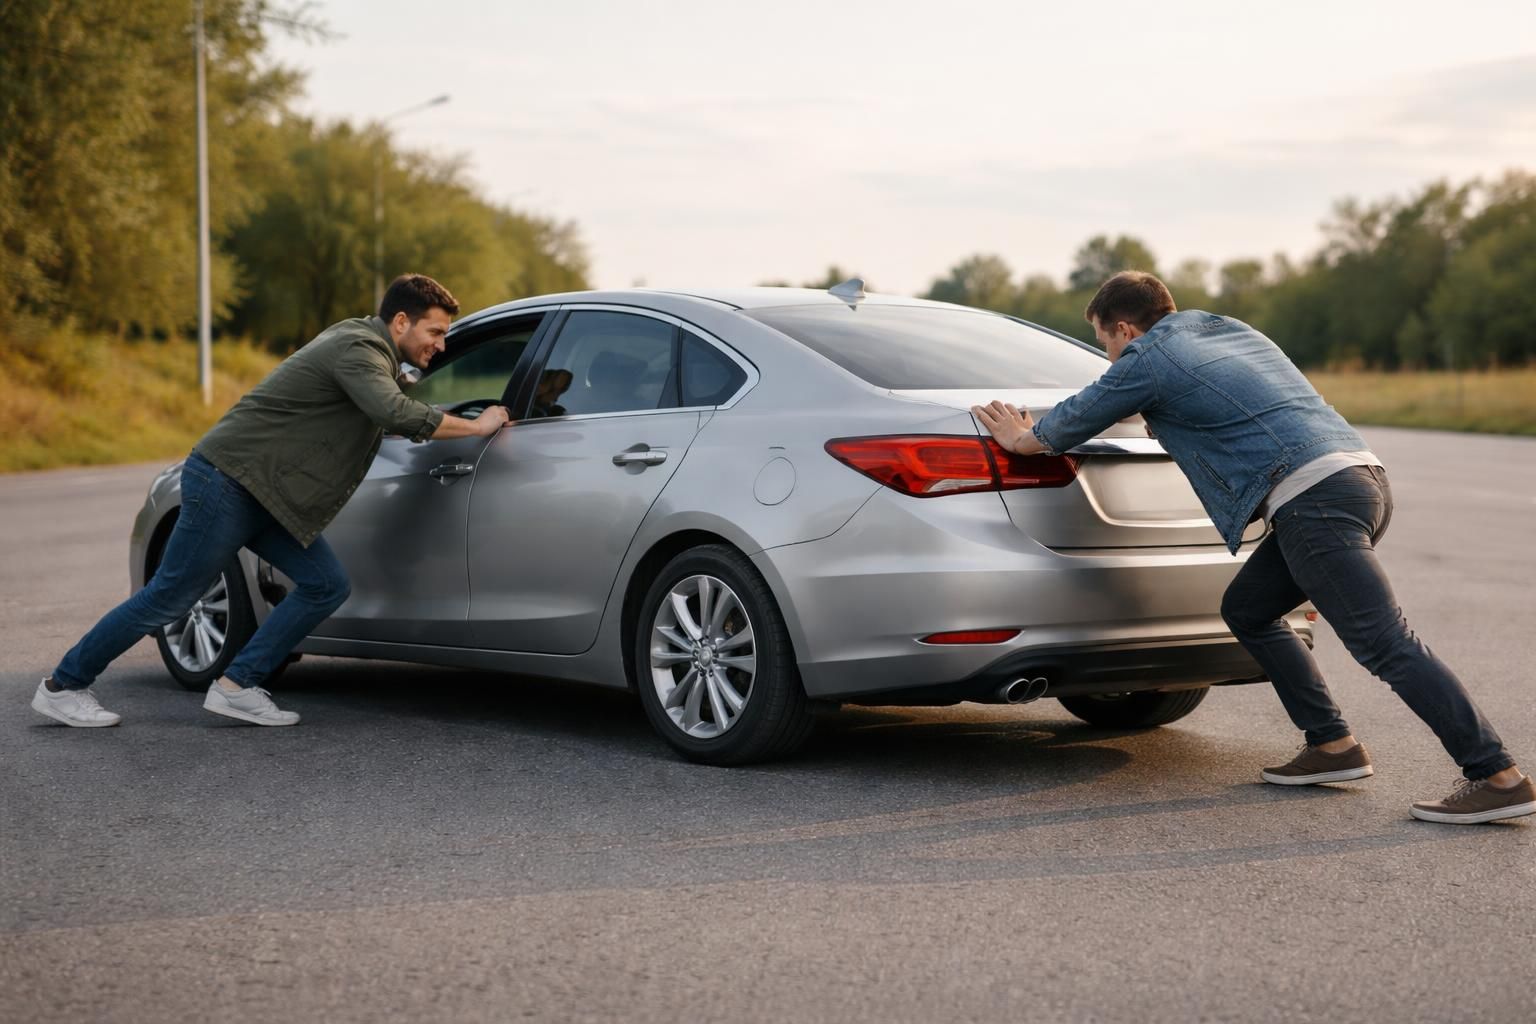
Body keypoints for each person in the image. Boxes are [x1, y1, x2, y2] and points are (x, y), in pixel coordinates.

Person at [973, 271, 1532, 825]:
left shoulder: (1149, 358)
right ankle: (1332, 745)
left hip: (1311, 500)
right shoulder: (1227, 332)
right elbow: (1161, 400)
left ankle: (1495, 776)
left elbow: (1072, 420)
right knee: (1248, 609)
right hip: (1359, 478)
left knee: (1387, 644)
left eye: (1105, 343)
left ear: (1124, 328)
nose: (1111, 358)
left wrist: (1023, 436)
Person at [32, 274, 510, 728]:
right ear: (401, 322)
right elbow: (393, 412)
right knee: (171, 595)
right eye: (436, 332)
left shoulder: (370, 355)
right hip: (230, 480)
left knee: (325, 584)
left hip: (262, 493)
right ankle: (64, 685)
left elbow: (390, 404)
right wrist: (477, 426)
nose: (442, 345)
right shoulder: (358, 347)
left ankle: (238, 684)